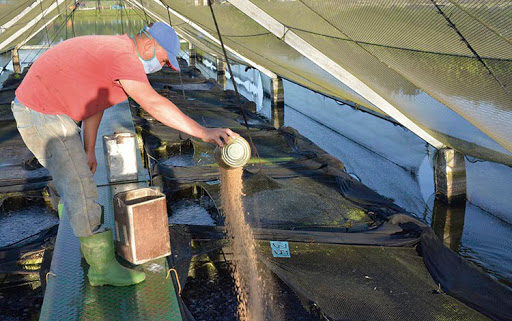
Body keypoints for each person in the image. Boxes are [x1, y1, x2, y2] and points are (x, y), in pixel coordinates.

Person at [11, 22, 237, 287]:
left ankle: (80, 224)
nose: (162, 66)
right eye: (164, 60)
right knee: (79, 184)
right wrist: (203, 132)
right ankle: (101, 268)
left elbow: (96, 103)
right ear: (150, 44)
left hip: (46, 107)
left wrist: (88, 149)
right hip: (41, 111)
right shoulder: (124, 56)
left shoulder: (117, 51)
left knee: (77, 175)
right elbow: (153, 103)